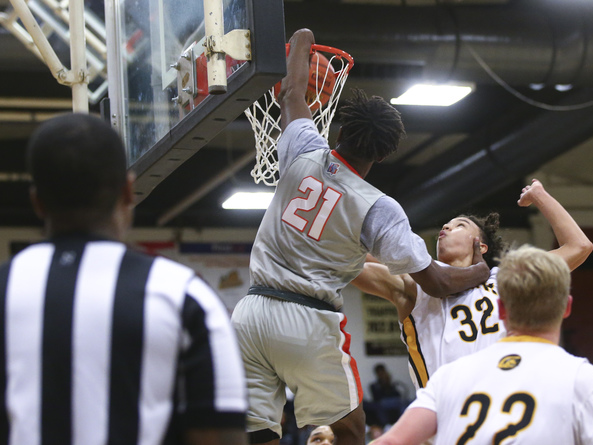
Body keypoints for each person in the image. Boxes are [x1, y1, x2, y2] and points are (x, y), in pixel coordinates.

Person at [230, 28, 490, 445]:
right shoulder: (379, 207)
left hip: (250, 313)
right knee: (350, 431)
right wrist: (480, 270)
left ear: (341, 131)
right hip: (305, 318)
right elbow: (438, 283)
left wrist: (301, 39)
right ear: (383, 154)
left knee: (256, 431)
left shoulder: (302, 147)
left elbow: (293, 93)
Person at [0, 113, 248, 445]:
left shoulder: (5, 290)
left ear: (37, 202)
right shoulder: (186, 297)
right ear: (129, 191)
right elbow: (221, 437)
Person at [371, 246, 593, 445]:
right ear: (567, 307)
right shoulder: (587, 380)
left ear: (502, 309)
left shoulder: (448, 377)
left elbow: (392, 441)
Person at [352, 178, 593, 389]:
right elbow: (347, 263)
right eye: (446, 225)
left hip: (500, 411)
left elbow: (579, 247)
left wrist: (539, 195)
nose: (446, 227)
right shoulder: (414, 282)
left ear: (481, 246)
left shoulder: (507, 277)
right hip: (440, 420)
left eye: (459, 225)